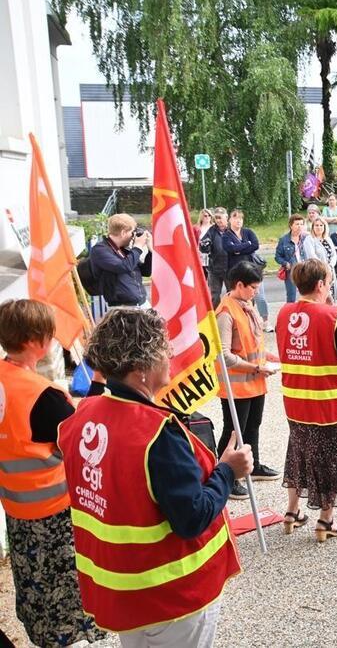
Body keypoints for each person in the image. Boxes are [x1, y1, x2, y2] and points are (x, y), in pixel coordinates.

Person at [59, 307, 250, 643]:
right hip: (170, 595)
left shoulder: (82, 416)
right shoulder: (156, 433)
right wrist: (227, 470)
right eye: (164, 350)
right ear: (141, 368)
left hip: (119, 590)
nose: (170, 358)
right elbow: (191, 518)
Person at [0, 300, 106, 647]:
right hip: (54, 518)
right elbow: (83, 439)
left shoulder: (5, 380)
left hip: (16, 513)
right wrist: (100, 384)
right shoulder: (43, 395)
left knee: (35, 593)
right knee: (65, 601)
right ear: (35, 340)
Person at [276, 259, 337, 542]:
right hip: (331, 404)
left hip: (296, 401)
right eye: (328, 281)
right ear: (320, 284)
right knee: (331, 459)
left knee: (299, 455)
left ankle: (292, 512)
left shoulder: (284, 313)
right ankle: (326, 520)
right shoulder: (334, 316)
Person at [215, 261, 280, 502]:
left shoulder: (246, 304)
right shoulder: (225, 312)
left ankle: (254, 466)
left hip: (254, 379)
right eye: (253, 287)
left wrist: (270, 358)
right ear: (239, 285)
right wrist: (255, 367)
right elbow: (223, 354)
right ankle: (227, 477)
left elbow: (253, 342)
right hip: (237, 384)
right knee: (234, 431)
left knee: (253, 425)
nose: (256, 292)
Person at [89, 212, 152, 307]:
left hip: (142, 303)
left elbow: (146, 272)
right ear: (123, 233)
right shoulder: (100, 250)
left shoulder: (123, 250)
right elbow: (123, 266)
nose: (133, 237)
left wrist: (151, 251)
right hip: (123, 308)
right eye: (132, 232)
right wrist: (137, 246)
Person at [223, 208, 270, 326]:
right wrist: (246, 245)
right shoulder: (226, 235)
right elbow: (230, 249)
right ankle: (240, 321)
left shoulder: (248, 232)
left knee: (259, 296)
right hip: (236, 271)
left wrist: (239, 248)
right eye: (235, 217)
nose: (238, 221)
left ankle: (265, 321)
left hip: (252, 269)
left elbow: (255, 245)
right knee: (239, 298)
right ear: (230, 220)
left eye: (240, 218)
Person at [275, 213, 319, 303]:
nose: (299, 226)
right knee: (291, 296)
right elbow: (277, 256)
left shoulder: (307, 238)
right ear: (291, 225)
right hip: (291, 270)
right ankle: (290, 313)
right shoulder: (284, 240)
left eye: (301, 224)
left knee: (309, 294)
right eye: (297, 224)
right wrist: (285, 263)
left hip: (306, 270)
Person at [200, 208, 230, 307]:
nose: (218, 220)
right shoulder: (212, 230)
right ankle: (215, 318)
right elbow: (203, 247)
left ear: (226, 217)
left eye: (220, 217)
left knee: (232, 295)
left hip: (231, 268)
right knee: (214, 296)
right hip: (215, 269)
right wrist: (204, 245)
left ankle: (233, 316)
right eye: (216, 218)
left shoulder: (232, 229)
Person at [309, 216, 337, 303]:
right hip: (317, 272)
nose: (319, 227)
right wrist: (323, 267)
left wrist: (330, 266)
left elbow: (334, 254)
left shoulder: (328, 239)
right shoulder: (310, 239)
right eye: (316, 225)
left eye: (321, 225)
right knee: (320, 296)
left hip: (329, 271)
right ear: (313, 227)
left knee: (330, 297)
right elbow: (312, 255)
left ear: (324, 227)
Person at [194, 208, 213, 274]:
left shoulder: (214, 228)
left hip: (212, 255)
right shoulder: (196, 228)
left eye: (209, 215)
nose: (207, 217)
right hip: (200, 254)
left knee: (211, 276)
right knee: (202, 274)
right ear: (201, 217)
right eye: (205, 215)